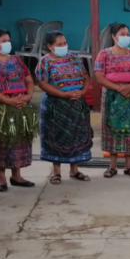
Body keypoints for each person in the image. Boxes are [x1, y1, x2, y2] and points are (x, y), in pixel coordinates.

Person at [0, 28, 37, 193]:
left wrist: (27, 96)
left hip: (21, 104)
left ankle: (17, 175)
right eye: (3, 41)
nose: (7, 44)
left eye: (8, 40)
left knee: (19, 141)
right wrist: (8, 101)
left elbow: (28, 79)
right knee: (1, 143)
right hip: (1, 106)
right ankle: (2, 177)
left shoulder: (17, 59)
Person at [35, 30, 94, 185]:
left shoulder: (74, 59)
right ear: (50, 46)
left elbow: (86, 77)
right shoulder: (45, 62)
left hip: (76, 104)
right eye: (59, 44)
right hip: (56, 105)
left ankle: (74, 170)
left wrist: (82, 92)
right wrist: (62, 95)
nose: (64, 46)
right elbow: (42, 83)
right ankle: (56, 171)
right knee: (57, 136)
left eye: (65, 43)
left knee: (76, 136)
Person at [94, 23, 130, 179]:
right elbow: (99, 77)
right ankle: (112, 166)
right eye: (122, 34)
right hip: (111, 96)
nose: (125, 37)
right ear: (113, 37)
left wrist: (129, 87)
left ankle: (129, 166)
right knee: (112, 129)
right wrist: (119, 89)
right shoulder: (103, 54)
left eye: (127, 34)